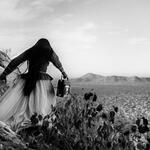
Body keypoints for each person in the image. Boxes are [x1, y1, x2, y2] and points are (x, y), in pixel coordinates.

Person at [0, 38, 68, 123]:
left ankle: (31, 119)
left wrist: (4, 74)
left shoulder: (31, 51)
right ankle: (39, 121)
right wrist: (64, 73)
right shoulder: (49, 52)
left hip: (28, 79)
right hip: (43, 82)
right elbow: (57, 63)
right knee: (43, 102)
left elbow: (15, 61)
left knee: (24, 101)